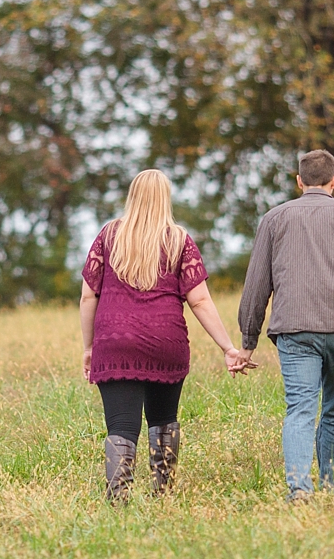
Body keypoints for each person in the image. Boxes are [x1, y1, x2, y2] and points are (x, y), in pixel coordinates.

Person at [80, 169, 254, 502]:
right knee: (163, 419)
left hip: (115, 343)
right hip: (166, 342)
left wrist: (89, 346)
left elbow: (89, 296)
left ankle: (118, 498)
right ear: (165, 198)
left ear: (132, 196)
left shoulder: (107, 237)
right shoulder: (178, 240)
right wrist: (228, 347)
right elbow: (200, 299)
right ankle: (163, 491)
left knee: (121, 426)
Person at [238, 149, 334, 502]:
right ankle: (332, 485)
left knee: (300, 407)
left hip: (295, 329)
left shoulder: (274, 218)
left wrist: (248, 339)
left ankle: (300, 488)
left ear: (299, 181)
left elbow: (257, 282)